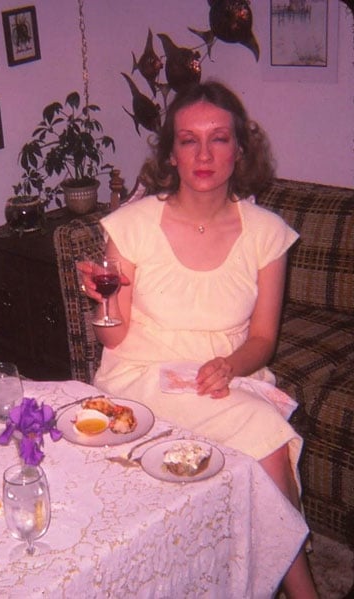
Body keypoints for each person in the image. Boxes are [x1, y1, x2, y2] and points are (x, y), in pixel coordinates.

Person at [78, 80, 316, 598]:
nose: (204, 154)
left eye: (219, 139)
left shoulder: (266, 232)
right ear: (171, 153)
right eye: (189, 140)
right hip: (141, 375)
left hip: (222, 376)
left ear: (240, 150)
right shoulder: (131, 226)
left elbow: (263, 339)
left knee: (265, 442)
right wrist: (101, 297)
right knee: (265, 437)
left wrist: (231, 365)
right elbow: (115, 338)